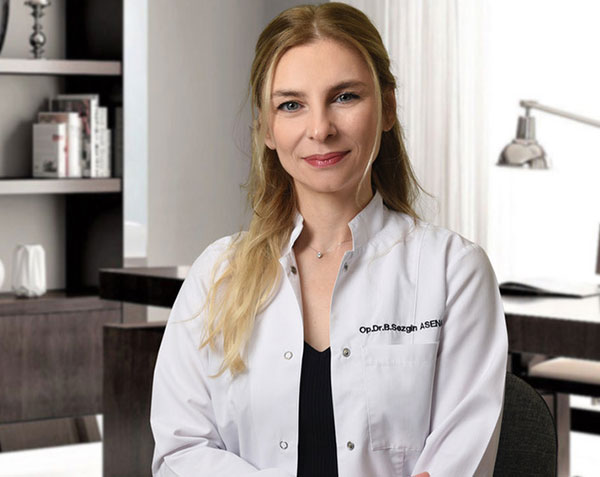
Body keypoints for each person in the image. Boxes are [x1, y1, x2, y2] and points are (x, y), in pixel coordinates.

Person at [149, 3, 508, 477]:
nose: (320, 129)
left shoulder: (454, 271)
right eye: (291, 105)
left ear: (388, 108)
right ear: (267, 129)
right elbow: (180, 451)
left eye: (345, 97)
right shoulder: (216, 275)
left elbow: (458, 461)